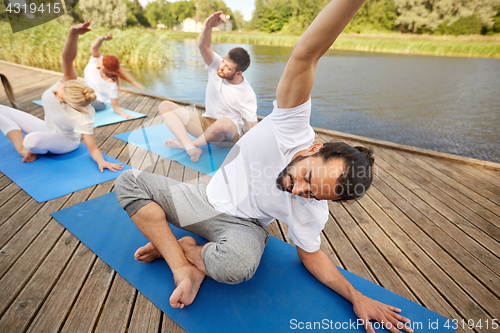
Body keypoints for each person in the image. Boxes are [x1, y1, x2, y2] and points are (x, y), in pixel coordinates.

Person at [114, 1, 413, 332]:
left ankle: (188, 249)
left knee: (236, 267)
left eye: (313, 194)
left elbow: (312, 254)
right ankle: (182, 265)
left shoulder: (313, 210)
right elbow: (307, 55)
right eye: (307, 177)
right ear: (314, 148)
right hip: (202, 198)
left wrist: (356, 296)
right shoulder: (291, 126)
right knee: (128, 181)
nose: (299, 190)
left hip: (244, 228)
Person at [0, 21, 123, 173]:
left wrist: (102, 161)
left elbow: (93, 149)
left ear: (67, 102)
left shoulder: (82, 118)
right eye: (61, 86)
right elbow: (67, 59)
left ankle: (28, 149)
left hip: (65, 142)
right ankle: (22, 148)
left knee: (31, 140)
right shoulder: (70, 83)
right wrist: (72, 33)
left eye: (58, 93)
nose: (54, 91)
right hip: (48, 128)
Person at [159, 11, 258, 163]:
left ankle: (189, 145)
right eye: (223, 61)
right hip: (205, 124)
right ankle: (192, 148)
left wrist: (256, 153)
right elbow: (203, 46)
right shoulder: (216, 66)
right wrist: (208, 26)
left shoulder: (247, 93)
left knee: (224, 122)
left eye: (227, 68)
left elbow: (252, 125)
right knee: (165, 106)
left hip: (227, 136)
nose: (221, 67)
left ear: (238, 73)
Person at [84, 34, 143, 119]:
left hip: (100, 104)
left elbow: (115, 107)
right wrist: (101, 39)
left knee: (78, 98)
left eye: (101, 64)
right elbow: (93, 47)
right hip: (87, 97)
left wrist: (123, 114)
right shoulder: (95, 60)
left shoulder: (111, 84)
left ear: (107, 70)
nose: (98, 63)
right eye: (101, 60)